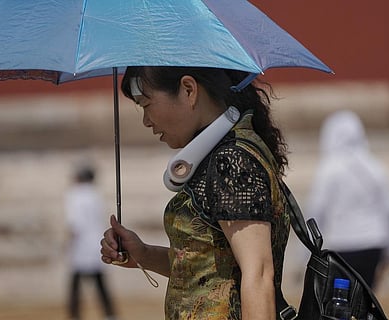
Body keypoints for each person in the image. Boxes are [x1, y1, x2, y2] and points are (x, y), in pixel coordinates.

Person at [100, 66, 293, 320]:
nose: (146, 120)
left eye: (145, 104)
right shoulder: (225, 155)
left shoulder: (231, 162)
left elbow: (258, 274)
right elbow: (208, 270)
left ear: (188, 90)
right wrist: (143, 254)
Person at [306, 110, 389, 289]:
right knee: (366, 298)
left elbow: (316, 210)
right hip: (374, 244)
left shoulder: (329, 169)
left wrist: (308, 253)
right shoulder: (375, 166)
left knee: (343, 303)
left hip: (343, 246)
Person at [65, 164, 117, 320]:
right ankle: (110, 314)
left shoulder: (74, 195)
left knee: (75, 282)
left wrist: (68, 243)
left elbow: (75, 223)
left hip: (81, 243)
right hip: (96, 241)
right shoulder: (96, 194)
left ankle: (74, 315)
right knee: (99, 281)